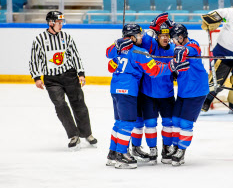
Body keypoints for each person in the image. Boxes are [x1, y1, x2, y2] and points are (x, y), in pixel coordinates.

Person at [105, 23, 189, 169]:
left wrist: (116, 43)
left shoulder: (119, 49)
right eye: (139, 35)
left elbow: (108, 57)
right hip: (128, 90)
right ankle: (121, 155)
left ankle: (112, 154)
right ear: (131, 37)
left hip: (115, 89)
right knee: (127, 123)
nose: (142, 37)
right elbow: (155, 70)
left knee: (118, 122)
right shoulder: (140, 52)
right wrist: (172, 66)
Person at [29, 11, 97, 151]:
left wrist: (81, 73)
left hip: (70, 76)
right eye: (59, 23)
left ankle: (87, 133)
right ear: (51, 23)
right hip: (51, 79)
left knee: (79, 104)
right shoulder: (39, 39)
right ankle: (73, 135)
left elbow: (75, 56)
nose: (61, 25)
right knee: (60, 106)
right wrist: (36, 77)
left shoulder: (66, 37)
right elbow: (34, 59)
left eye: (62, 22)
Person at [130, 15, 177, 165]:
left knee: (168, 123)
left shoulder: (174, 49)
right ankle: (153, 149)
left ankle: (167, 148)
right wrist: (156, 23)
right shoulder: (150, 46)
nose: (165, 38)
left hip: (167, 94)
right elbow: (135, 36)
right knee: (150, 124)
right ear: (157, 36)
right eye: (162, 35)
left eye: (167, 35)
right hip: (148, 94)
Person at [169, 24, 209, 166]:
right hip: (184, 90)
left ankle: (181, 150)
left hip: (196, 91)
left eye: (173, 38)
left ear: (180, 37)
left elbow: (193, 49)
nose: (172, 41)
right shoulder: (175, 48)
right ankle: (175, 146)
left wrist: (184, 50)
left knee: (185, 123)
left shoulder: (193, 45)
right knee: (175, 120)